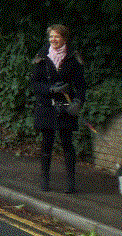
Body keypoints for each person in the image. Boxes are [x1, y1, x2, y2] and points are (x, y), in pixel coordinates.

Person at [30, 24, 86, 194]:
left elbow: (81, 85)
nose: (53, 40)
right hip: (46, 106)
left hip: (66, 108)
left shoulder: (73, 58)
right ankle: (44, 178)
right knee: (47, 143)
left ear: (64, 38)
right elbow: (34, 83)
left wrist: (77, 102)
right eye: (51, 37)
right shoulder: (41, 57)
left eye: (57, 37)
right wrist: (51, 89)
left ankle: (71, 182)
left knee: (67, 144)